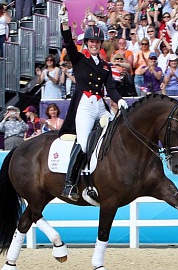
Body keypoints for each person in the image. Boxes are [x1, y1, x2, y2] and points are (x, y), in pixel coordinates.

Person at [59, 6, 127, 201]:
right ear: (87, 43)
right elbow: (69, 44)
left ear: (101, 44)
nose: (95, 44)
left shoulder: (105, 66)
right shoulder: (79, 59)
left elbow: (111, 88)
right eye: (91, 41)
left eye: (97, 41)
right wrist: (65, 24)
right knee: (83, 143)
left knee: (114, 130)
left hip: (100, 105)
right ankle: (69, 183)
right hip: (85, 106)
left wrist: (120, 100)